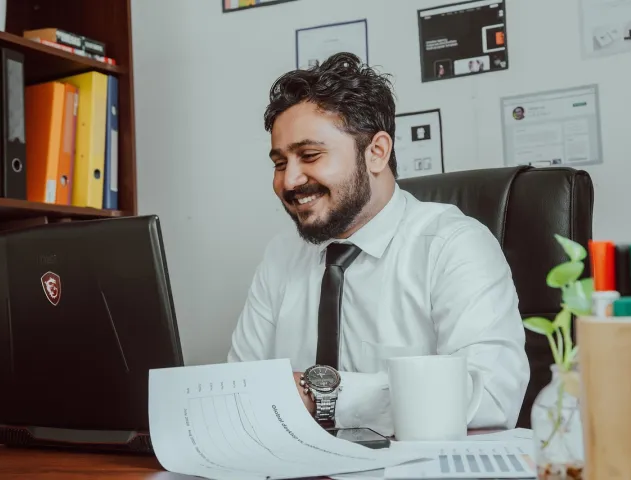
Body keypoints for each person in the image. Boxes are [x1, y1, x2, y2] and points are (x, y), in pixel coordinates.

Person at [227, 52, 530, 436]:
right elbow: (239, 387)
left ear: (377, 152)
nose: (289, 181)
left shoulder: (453, 245)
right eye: (279, 163)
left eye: (309, 155)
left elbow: (492, 397)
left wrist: (328, 396)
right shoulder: (282, 255)